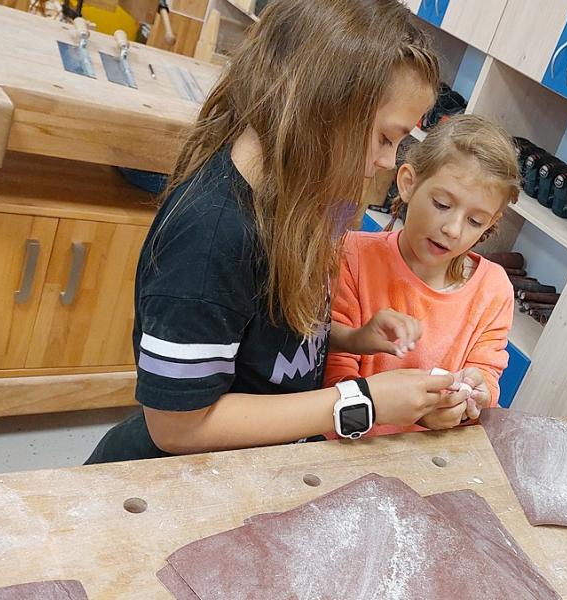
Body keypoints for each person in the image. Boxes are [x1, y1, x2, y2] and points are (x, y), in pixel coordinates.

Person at [86, 0, 458, 463]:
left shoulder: (293, 203)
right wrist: (363, 402)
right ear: (321, 107)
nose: (387, 160)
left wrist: (351, 338)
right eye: (385, 138)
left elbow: (262, 341)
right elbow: (176, 427)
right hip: (176, 475)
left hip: (252, 466)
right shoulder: (211, 235)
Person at [324, 114, 519, 437]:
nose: (452, 229)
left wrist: (475, 395)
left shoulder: (494, 289)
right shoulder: (352, 256)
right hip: (352, 445)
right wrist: (395, 410)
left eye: (475, 221)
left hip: (433, 453)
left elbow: (487, 376)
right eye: (442, 204)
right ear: (408, 183)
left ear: (491, 223)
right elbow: (333, 378)